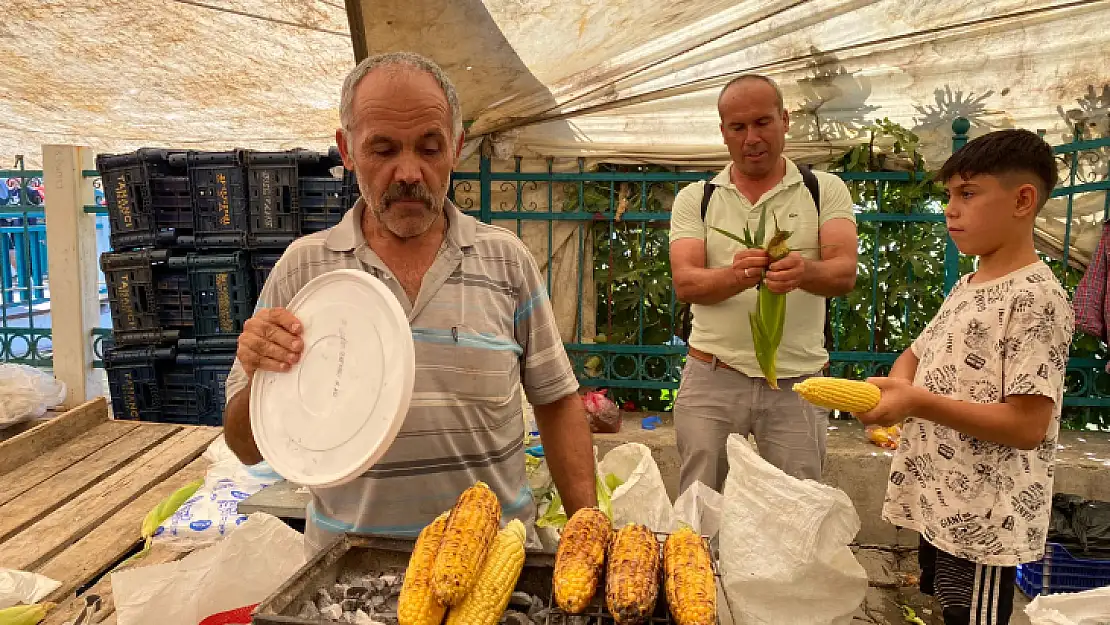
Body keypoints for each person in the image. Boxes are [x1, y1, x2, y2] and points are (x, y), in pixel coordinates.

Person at [222, 52, 597, 553]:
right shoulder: (304, 272)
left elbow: (555, 402)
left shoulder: (507, 261)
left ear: (456, 148)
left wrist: (588, 535)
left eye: (429, 147)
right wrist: (258, 367)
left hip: (491, 571)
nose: (408, 172)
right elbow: (246, 448)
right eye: (382, 149)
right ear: (346, 149)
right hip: (344, 580)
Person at [855, 129, 1074, 625]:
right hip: (942, 500)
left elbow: (1026, 425)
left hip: (985, 519)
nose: (951, 208)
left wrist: (914, 403)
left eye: (968, 194)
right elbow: (914, 356)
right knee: (946, 607)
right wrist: (895, 403)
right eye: (950, 195)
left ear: (1023, 200)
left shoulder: (1035, 299)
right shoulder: (968, 284)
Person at [668, 74, 859, 493]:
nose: (752, 137)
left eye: (762, 122)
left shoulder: (823, 190)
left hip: (798, 382)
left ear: (784, 120)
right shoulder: (696, 198)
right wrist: (735, 277)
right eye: (738, 127)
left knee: (797, 506)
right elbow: (686, 282)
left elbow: (844, 272)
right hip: (713, 375)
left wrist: (803, 272)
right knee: (702, 505)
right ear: (723, 133)